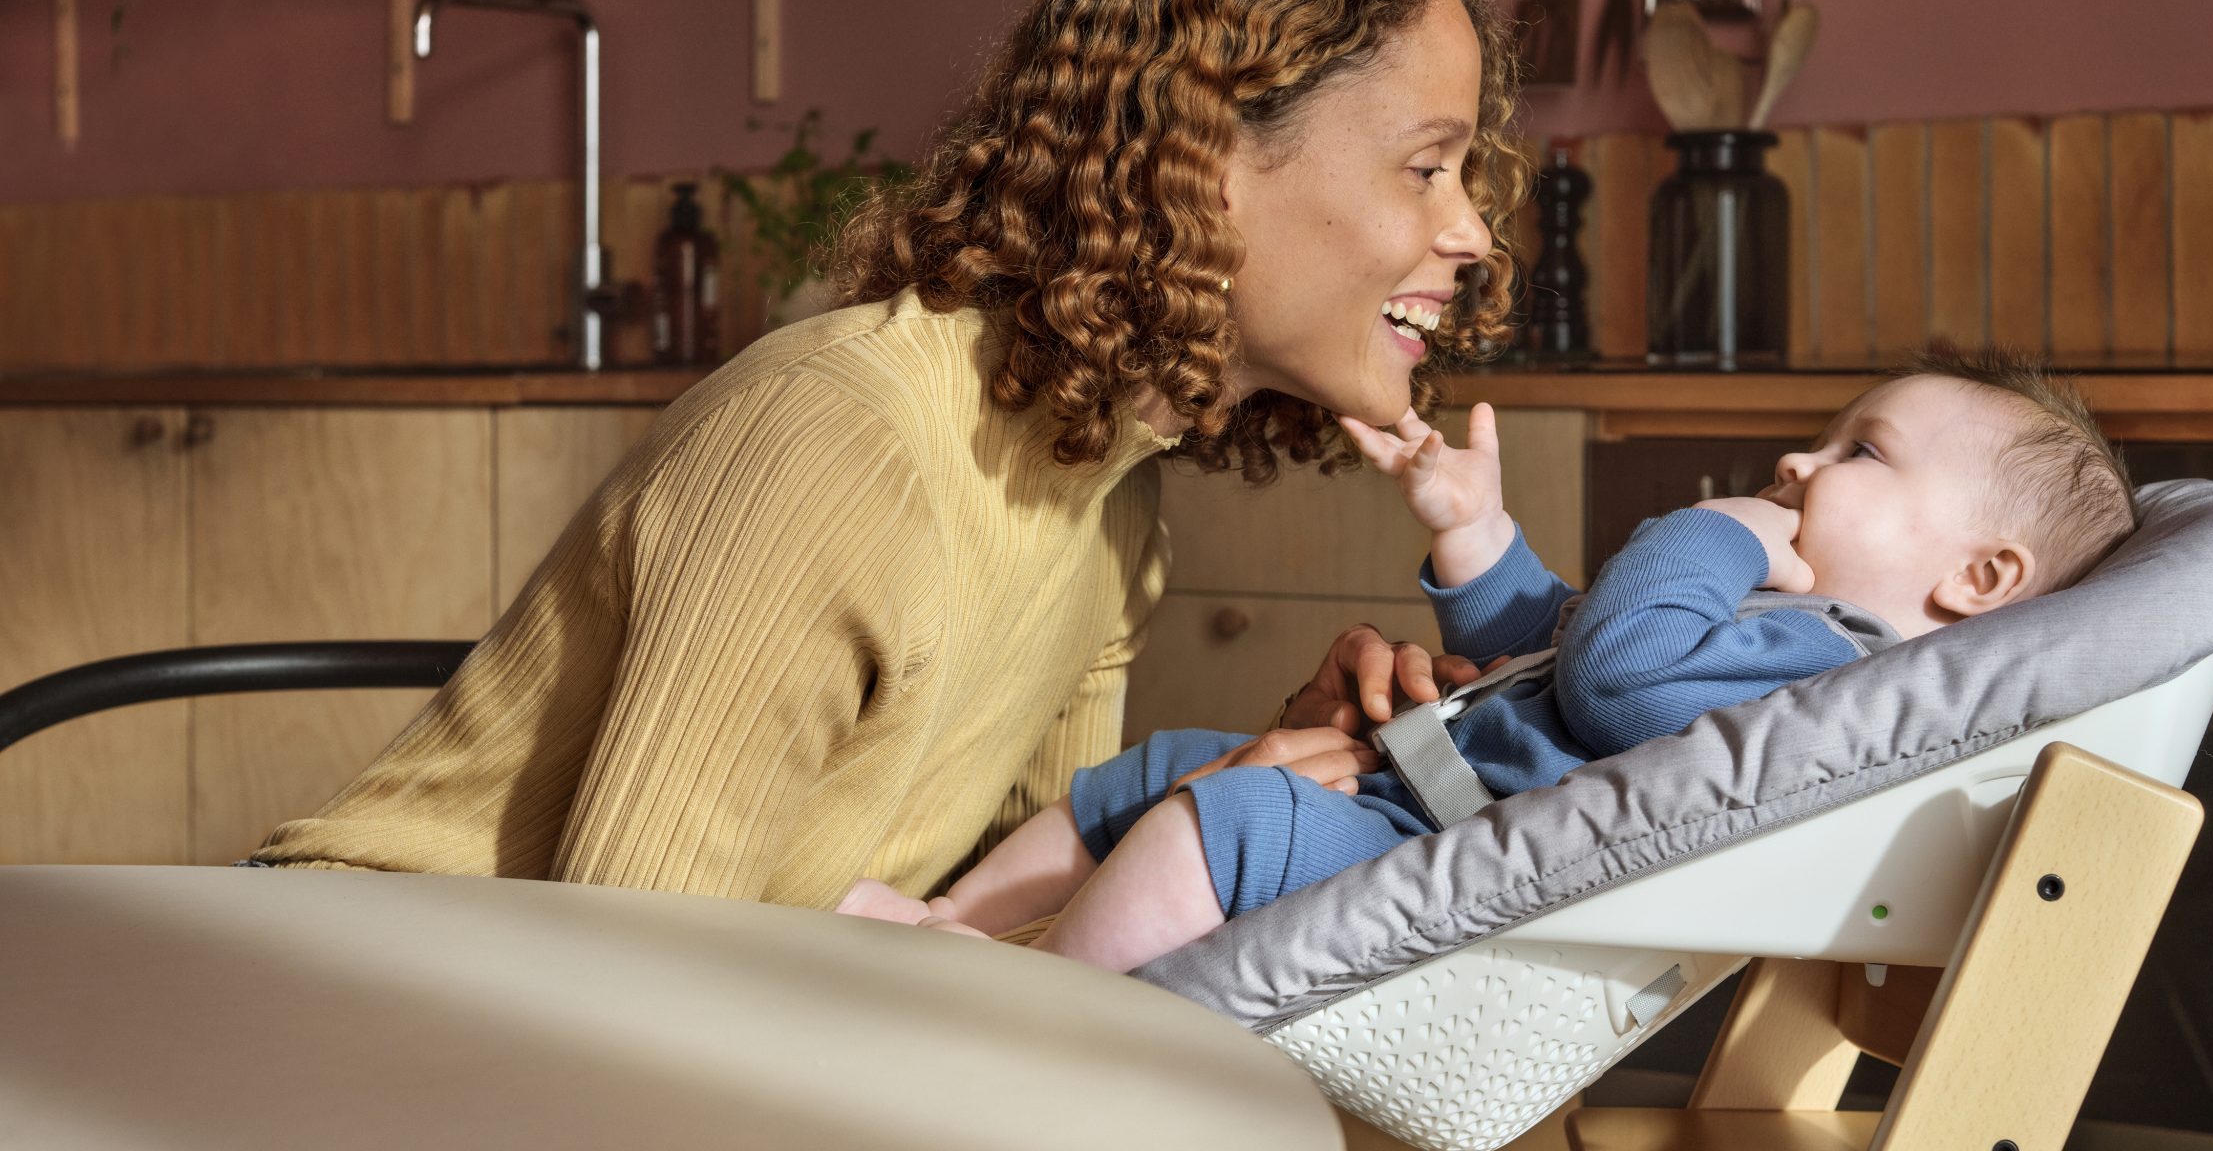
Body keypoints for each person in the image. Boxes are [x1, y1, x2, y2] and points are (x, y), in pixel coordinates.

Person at [248, 0, 1535, 1151]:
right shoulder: (841, 433)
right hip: (379, 1120)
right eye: (1428, 163)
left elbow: (1001, 957)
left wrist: (1250, 781)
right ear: (1212, 153)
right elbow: (613, 1003)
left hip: (663, 1103)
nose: (1470, 230)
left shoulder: (1105, 502)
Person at [839, 356, 2139, 972]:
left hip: (1444, 857)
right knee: (1167, 767)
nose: (1797, 465)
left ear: (1975, 582)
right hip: (1422, 797)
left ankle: (1027, 989)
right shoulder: (1768, 639)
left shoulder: (1825, 670)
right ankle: (957, 923)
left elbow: (1615, 680)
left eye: (1861, 454)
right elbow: (1566, 648)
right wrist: (1478, 535)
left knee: (1213, 819)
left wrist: (1703, 534)